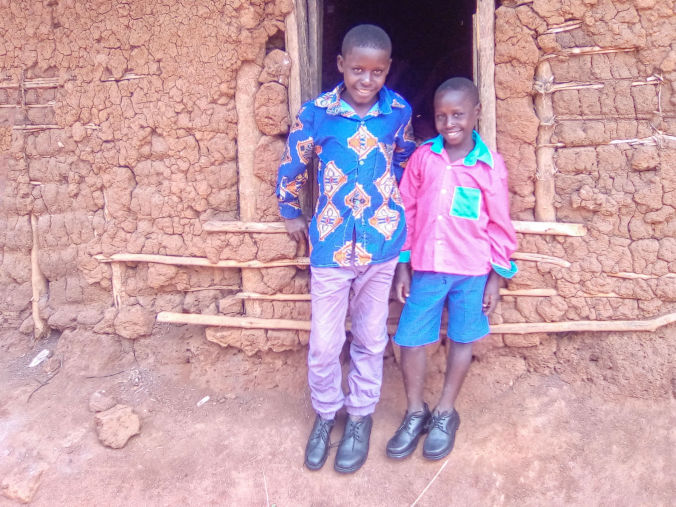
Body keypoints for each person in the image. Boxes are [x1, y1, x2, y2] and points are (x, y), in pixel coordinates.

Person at [276, 24, 416, 473]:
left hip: (381, 244)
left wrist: (391, 211)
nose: (366, 80)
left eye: (376, 71)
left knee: (372, 339)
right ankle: (325, 414)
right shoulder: (318, 112)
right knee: (324, 342)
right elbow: (294, 161)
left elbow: (404, 161)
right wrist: (290, 210)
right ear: (340, 66)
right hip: (331, 245)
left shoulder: (398, 111)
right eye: (357, 69)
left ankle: (359, 417)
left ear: (387, 71)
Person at [386, 77, 518, 461]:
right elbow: (406, 210)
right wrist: (404, 265)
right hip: (427, 267)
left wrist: (496, 276)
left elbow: (499, 223)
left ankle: (445, 411)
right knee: (409, 338)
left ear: (476, 113)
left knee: (463, 338)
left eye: (458, 114)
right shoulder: (424, 158)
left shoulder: (489, 166)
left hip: (473, 271)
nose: (449, 123)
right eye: (441, 116)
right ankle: (415, 411)